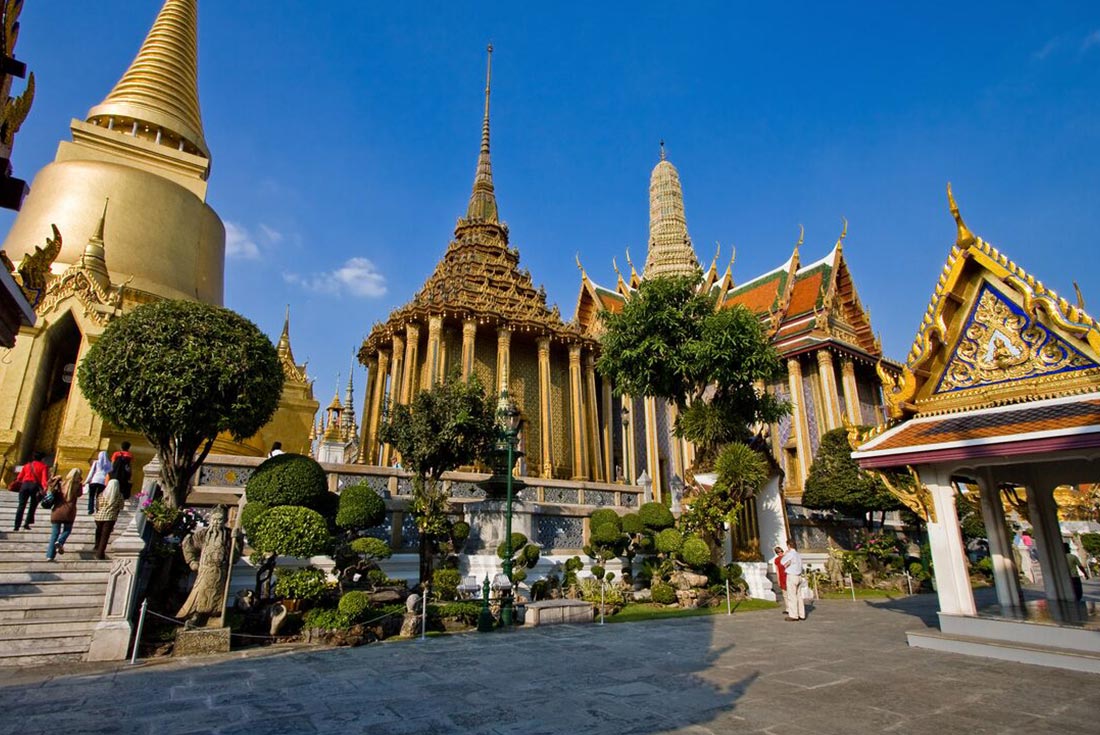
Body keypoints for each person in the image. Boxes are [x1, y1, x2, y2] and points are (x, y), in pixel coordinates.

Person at [46, 468, 82, 561]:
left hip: (57, 511)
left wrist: (55, 478)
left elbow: (49, 484)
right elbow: (80, 494)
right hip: (69, 512)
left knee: (54, 534)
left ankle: (50, 555)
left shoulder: (61, 484)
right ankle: (60, 541)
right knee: (67, 530)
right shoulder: (78, 486)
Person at [13, 451, 49, 531]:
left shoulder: (27, 465)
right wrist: (45, 488)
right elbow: (44, 479)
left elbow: (19, 478)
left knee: (21, 505)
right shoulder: (44, 466)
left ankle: (16, 525)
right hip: (35, 486)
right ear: (42, 458)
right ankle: (27, 523)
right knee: (33, 505)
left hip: (25, 485)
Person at [93, 478, 125, 560]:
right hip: (110, 518)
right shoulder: (119, 496)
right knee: (105, 536)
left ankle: (96, 546)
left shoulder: (101, 494)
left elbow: (97, 505)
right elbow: (121, 507)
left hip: (99, 517)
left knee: (99, 532)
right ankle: (100, 554)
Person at [781, 538, 807, 621]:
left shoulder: (790, 553)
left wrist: (785, 554)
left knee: (792, 596)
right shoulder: (798, 555)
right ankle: (801, 614)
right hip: (799, 576)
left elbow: (782, 562)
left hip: (792, 576)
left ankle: (793, 615)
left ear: (788, 545)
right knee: (799, 596)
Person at [86, 450, 111, 515]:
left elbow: (91, 472)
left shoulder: (96, 462)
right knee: (99, 496)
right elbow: (110, 473)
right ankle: (98, 508)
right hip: (103, 481)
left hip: (95, 480)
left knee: (91, 496)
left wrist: (87, 480)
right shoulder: (109, 464)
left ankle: (90, 509)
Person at [773, 545, 787, 612]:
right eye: (778, 552)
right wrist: (778, 580)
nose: (780, 553)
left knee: (790, 593)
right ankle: (788, 608)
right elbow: (777, 570)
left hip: (787, 576)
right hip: (781, 577)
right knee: (784, 594)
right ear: (777, 553)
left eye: (781, 551)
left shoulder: (786, 557)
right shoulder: (776, 560)